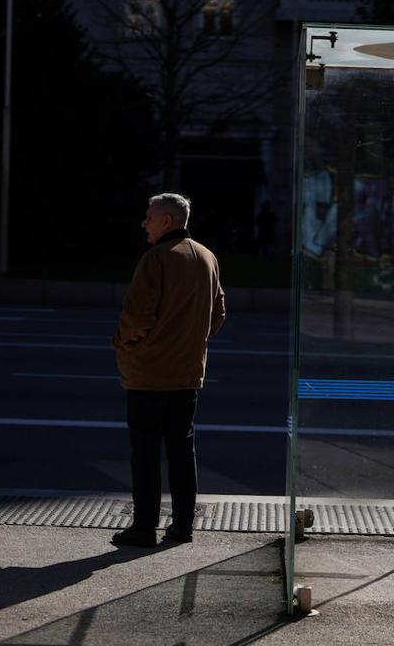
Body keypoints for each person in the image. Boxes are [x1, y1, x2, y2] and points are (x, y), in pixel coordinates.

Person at [110, 193, 225, 547]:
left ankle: (144, 527)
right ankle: (183, 526)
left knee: (144, 452)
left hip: (149, 373)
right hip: (187, 372)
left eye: (149, 217)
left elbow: (137, 316)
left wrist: (122, 343)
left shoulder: (156, 259)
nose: (144, 223)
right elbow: (218, 314)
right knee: (181, 448)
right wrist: (191, 340)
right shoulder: (207, 256)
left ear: (167, 222)